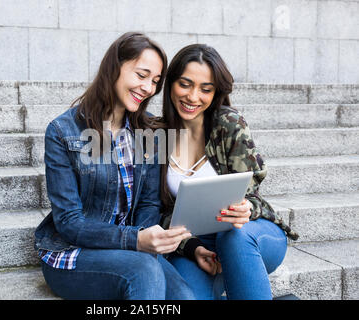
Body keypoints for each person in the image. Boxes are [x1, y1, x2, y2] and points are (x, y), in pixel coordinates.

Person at [34, 32, 195, 300]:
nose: (148, 88)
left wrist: (144, 238)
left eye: (155, 81)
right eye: (141, 75)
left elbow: (149, 204)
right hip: (73, 254)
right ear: (114, 68)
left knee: (185, 298)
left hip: (132, 251)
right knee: (143, 271)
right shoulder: (63, 131)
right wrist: (135, 240)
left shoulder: (150, 131)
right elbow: (69, 222)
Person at [159, 44, 299, 300]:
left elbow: (252, 196)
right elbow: (156, 211)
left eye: (205, 89)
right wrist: (190, 247)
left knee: (233, 238)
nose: (193, 96)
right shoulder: (156, 136)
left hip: (250, 234)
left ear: (216, 92)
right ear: (171, 84)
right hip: (195, 243)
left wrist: (246, 208)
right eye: (185, 84)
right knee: (186, 297)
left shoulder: (229, 125)